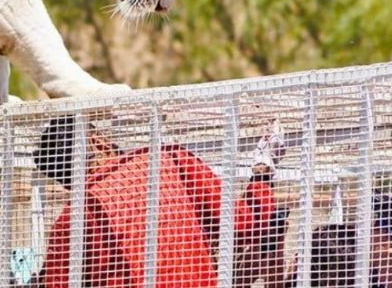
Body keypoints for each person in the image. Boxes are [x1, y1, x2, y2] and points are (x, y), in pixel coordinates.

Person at [34, 118, 288, 288]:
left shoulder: (70, 222)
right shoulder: (170, 160)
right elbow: (244, 223)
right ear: (97, 141)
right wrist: (263, 172)